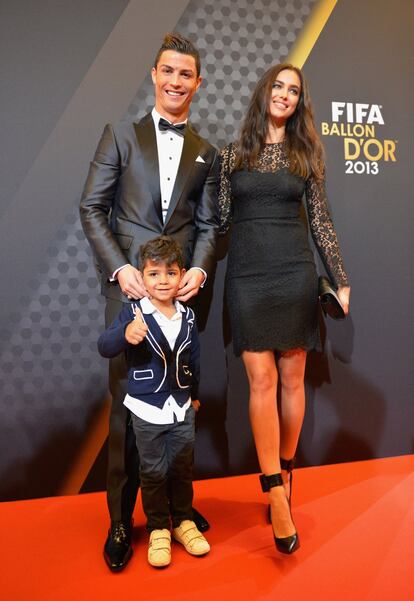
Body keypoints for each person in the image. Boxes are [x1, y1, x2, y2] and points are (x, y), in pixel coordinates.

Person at [80, 33, 218, 571]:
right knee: (126, 410)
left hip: (181, 293)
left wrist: (201, 268)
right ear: (155, 74)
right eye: (168, 72)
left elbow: (207, 224)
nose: (176, 82)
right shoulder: (119, 134)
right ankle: (121, 519)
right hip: (129, 293)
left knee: (179, 403)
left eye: (186, 74)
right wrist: (121, 269)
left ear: (198, 83)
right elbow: (93, 208)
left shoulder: (207, 152)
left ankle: (175, 508)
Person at [218, 64, 350, 555]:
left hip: (294, 273)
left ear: (299, 102)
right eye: (279, 86)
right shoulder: (233, 155)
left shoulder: (305, 154)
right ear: (264, 91)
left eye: (294, 91)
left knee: (293, 381)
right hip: (248, 277)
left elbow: (321, 220)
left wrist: (341, 278)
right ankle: (274, 489)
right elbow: (223, 219)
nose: (286, 95)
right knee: (261, 381)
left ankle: (286, 469)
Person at [97, 236, 210, 568]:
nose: (163, 281)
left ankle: (184, 521)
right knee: (153, 471)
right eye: (154, 273)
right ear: (142, 278)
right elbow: (105, 345)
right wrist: (125, 334)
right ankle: (159, 526)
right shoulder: (134, 312)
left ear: (182, 276)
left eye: (171, 273)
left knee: (182, 468)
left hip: (182, 407)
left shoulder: (187, 317)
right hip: (146, 410)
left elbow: (195, 360)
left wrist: (195, 396)